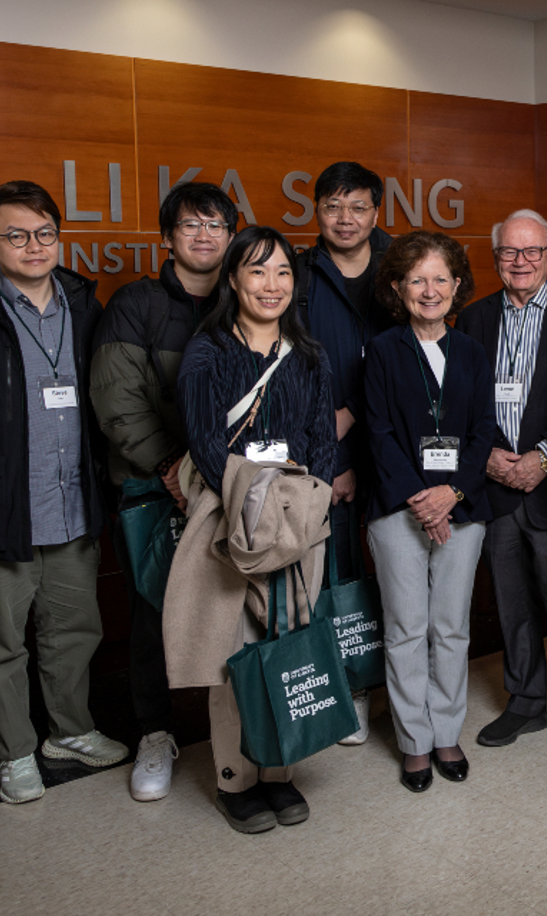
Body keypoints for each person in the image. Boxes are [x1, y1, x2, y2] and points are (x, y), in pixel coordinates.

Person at [0, 179, 126, 803]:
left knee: (74, 633)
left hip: (72, 509)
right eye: (16, 235)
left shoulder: (85, 304)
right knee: (0, 645)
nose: (34, 246)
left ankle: (69, 733)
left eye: (45, 233)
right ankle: (15, 754)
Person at [176, 226, 336, 833]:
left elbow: (323, 443)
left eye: (283, 273)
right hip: (231, 523)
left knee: (287, 641)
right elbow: (208, 447)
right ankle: (235, 780)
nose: (271, 285)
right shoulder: (207, 353)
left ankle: (280, 771)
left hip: (299, 524)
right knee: (235, 654)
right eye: (257, 271)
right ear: (234, 279)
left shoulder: (310, 355)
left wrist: (305, 508)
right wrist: (258, 512)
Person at [88, 178, 240, 801]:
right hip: (158, 490)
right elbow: (117, 401)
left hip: (233, 489)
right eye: (190, 225)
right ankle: (155, 734)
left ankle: (236, 733)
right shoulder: (136, 304)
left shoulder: (246, 298)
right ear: (168, 236)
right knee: (154, 617)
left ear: (231, 235)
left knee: (237, 614)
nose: (204, 236)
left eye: (216, 225)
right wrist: (177, 471)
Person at [453, 208, 547, 759]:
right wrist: (489, 457)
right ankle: (524, 701)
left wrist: (543, 458)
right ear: (495, 259)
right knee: (511, 602)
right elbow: (462, 402)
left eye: (531, 252)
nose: (520, 262)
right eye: (509, 253)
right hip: (494, 486)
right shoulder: (470, 320)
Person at [363, 230, 495, 791]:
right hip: (398, 508)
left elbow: (484, 430)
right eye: (417, 279)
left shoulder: (471, 351)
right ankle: (414, 740)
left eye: (441, 278)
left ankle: (447, 732)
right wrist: (422, 499)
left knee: (451, 627)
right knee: (406, 628)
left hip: (462, 509)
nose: (430, 289)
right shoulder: (382, 351)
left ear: (458, 285)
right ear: (397, 287)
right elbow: (378, 430)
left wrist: (451, 495)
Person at [296, 161, 392, 742]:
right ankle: (352, 688)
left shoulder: (402, 267)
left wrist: (353, 410)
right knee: (339, 577)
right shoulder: (300, 275)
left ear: (376, 212)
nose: (346, 218)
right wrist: (332, 460)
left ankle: (400, 686)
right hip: (325, 453)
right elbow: (292, 369)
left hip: (396, 448)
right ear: (318, 212)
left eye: (357, 206)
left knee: (402, 571)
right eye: (333, 206)